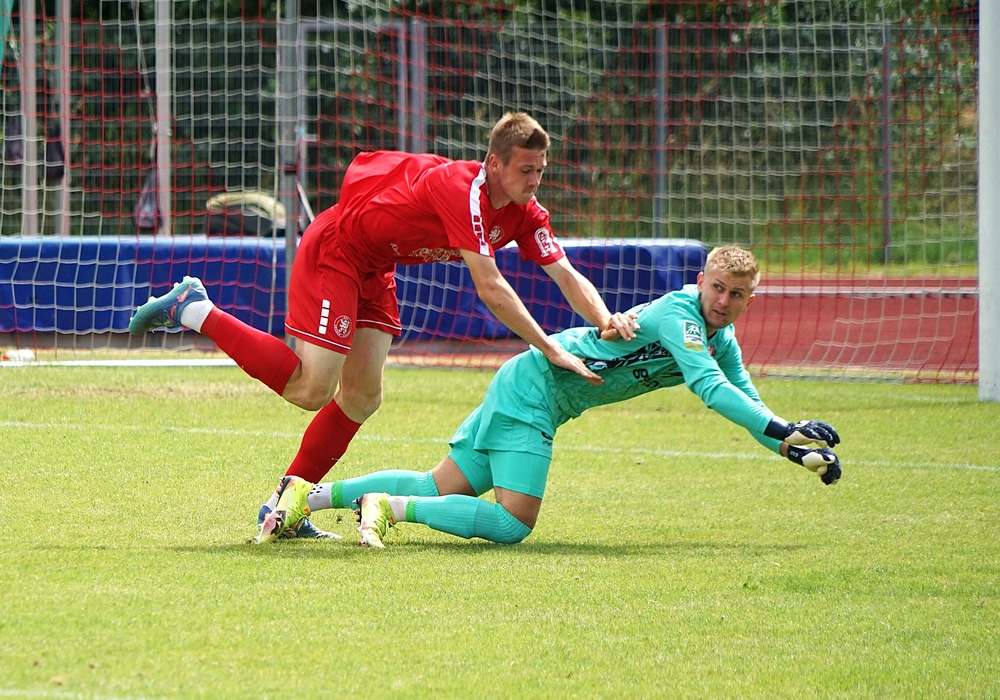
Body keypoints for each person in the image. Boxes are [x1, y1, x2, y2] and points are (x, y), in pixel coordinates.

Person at [128, 112, 637, 539]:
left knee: (362, 398)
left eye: (541, 171)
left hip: (376, 266)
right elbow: (491, 287)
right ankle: (194, 309)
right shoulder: (463, 191)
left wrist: (605, 319)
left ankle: (285, 507)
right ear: (494, 163)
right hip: (339, 249)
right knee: (311, 389)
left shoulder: (526, 211)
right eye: (526, 170)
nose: (534, 181)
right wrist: (550, 348)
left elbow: (564, 273)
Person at [255, 245, 843, 547]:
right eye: (717, 287)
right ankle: (386, 508)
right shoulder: (680, 314)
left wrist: (792, 443)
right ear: (701, 282)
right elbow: (712, 390)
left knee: (440, 486)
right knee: (514, 523)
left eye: (736, 295)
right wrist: (782, 432)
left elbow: (747, 402)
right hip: (535, 391)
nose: (723, 301)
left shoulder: (723, 339)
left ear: (749, 300)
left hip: (530, 385)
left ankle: (307, 495)